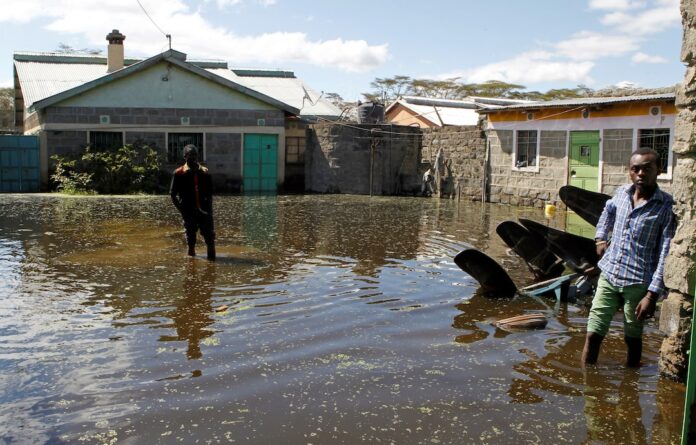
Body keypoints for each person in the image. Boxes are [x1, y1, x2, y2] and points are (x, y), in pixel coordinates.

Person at [581, 147, 675, 367]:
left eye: (647, 169)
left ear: (659, 170)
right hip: (609, 274)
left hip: (638, 282)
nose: (641, 173)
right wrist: (600, 238)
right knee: (593, 333)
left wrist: (652, 295)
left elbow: (665, 253)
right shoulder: (621, 193)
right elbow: (607, 211)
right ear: (629, 172)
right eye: (636, 169)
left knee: (632, 337)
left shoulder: (665, 207)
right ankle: (588, 390)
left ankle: (630, 388)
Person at [170, 144, 216, 260]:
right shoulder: (179, 173)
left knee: (210, 238)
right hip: (188, 211)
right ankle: (191, 265)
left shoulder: (205, 173)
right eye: (190, 155)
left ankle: (212, 264)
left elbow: (210, 195)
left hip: (204, 212)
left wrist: (209, 212)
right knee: (191, 240)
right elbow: (172, 195)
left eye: (195, 155)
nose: (193, 157)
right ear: (185, 156)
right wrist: (182, 211)